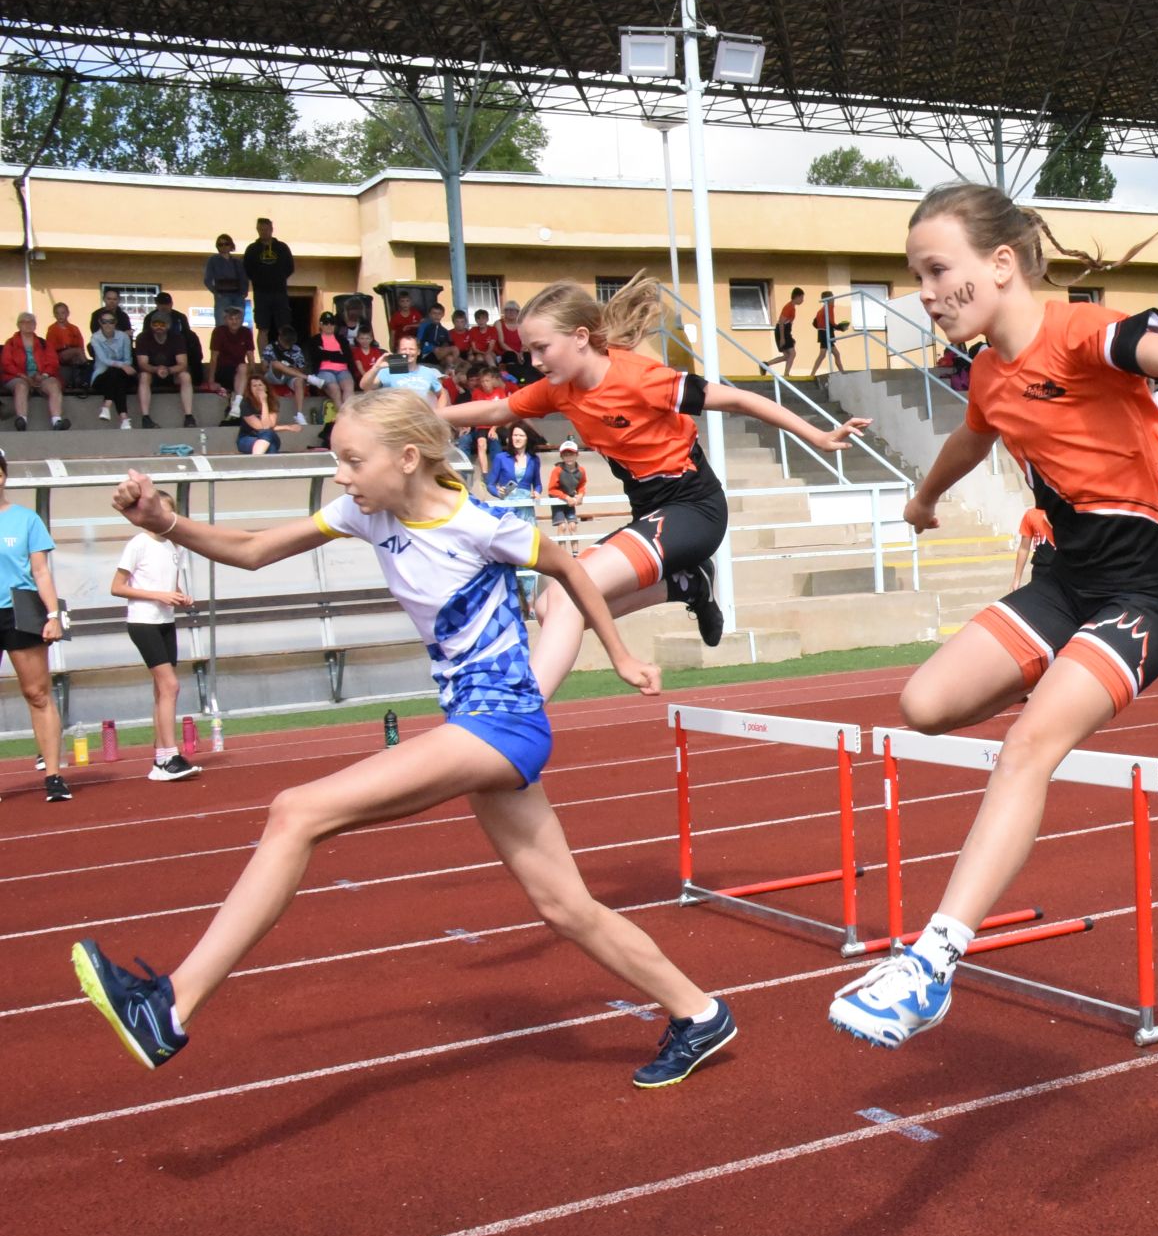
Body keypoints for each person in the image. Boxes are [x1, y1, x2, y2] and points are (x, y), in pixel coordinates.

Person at [71, 390, 738, 1088]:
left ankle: (170, 1008)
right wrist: (166, 522)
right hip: (475, 725)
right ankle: (699, 1012)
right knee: (565, 907)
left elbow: (569, 569)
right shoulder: (364, 512)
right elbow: (253, 549)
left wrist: (621, 655)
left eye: (353, 460)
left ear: (408, 457)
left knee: (297, 811)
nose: (341, 475)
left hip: (500, 723)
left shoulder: (479, 523)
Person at [825, 182, 1158, 1048]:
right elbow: (969, 439)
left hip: (1149, 595)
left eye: (936, 271)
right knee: (924, 705)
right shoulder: (989, 374)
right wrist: (922, 500)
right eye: (916, 276)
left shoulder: (1082, 332)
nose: (923, 293)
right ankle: (1058, 695)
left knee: (1027, 746)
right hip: (1067, 584)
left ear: (999, 265)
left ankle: (932, 962)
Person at [441, 276, 867, 684]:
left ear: (581, 337)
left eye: (541, 348)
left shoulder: (639, 378)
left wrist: (818, 434)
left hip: (692, 508)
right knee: (546, 608)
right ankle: (687, 585)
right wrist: (427, 418)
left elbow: (738, 398)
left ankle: (522, 711)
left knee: (568, 596)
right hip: (650, 510)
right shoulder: (558, 388)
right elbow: (496, 412)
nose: (532, 361)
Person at [0, 451, 68, 800]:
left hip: (19, 609)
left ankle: (54, 776)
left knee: (37, 693)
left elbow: (40, 571)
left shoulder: (26, 520)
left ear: (2, 476)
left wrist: (53, 615)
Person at [111, 526, 201, 782]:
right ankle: (171, 756)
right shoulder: (138, 543)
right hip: (143, 621)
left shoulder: (175, 546)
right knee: (170, 686)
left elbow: (170, 584)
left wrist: (180, 596)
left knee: (162, 690)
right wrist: (157, 595)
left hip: (165, 621)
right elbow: (117, 587)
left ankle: (162, 758)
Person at [3, 313, 67, 431]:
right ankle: (21, 420)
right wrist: (23, 376)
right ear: (18, 325)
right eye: (24, 322)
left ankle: (57, 421)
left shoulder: (44, 343)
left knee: (53, 385)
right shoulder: (10, 343)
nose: (28, 324)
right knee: (21, 386)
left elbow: (53, 362)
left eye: (31, 322)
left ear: (35, 325)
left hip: (40, 376)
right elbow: (7, 364)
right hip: (18, 376)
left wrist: (43, 375)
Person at [133, 313, 198, 429]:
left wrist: (169, 370)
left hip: (172, 373)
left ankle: (189, 416)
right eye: (155, 324)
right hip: (152, 372)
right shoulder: (142, 337)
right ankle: (145, 418)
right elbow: (142, 364)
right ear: (151, 325)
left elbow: (183, 364)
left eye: (162, 324)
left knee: (185, 376)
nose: (158, 327)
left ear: (168, 325)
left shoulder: (177, 338)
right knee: (143, 376)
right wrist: (156, 369)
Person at [242, 218, 294, 343]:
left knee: (283, 327)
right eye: (261, 229)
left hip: (279, 292)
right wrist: (260, 280)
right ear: (257, 230)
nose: (263, 232)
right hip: (261, 294)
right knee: (262, 328)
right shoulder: (252, 249)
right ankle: (264, 361)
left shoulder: (281, 247)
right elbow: (246, 269)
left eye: (266, 229)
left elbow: (290, 267)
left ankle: (284, 355)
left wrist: (277, 278)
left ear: (271, 229)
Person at [88, 311, 137, 426]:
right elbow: (104, 360)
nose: (108, 324)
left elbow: (128, 359)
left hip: (122, 375)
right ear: (100, 323)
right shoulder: (95, 338)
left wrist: (123, 366)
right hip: (102, 375)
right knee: (115, 374)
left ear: (115, 323)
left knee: (116, 375)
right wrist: (122, 365)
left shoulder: (123, 337)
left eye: (111, 322)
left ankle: (107, 405)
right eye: (104, 322)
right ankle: (124, 418)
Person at [213, 309, 261, 418]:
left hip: (240, 371)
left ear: (242, 320)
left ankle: (237, 404)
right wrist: (211, 380)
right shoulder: (219, 331)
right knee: (242, 369)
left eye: (237, 319)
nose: (234, 322)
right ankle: (237, 404)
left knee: (243, 367)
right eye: (231, 319)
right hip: (223, 370)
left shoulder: (246, 332)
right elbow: (214, 357)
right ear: (225, 320)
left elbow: (250, 355)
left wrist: (253, 374)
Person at [261, 326, 314, 425]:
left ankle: (299, 414)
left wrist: (288, 369)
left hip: (290, 376)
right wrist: (281, 367)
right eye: (285, 343)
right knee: (276, 364)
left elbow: (301, 368)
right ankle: (308, 378)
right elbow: (264, 368)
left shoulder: (296, 349)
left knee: (299, 381)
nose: (287, 346)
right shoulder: (270, 348)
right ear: (280, 338)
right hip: (274, 376)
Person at [234, 377, 300, 455]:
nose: (258, 388)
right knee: (270, 446)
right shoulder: (245, 403)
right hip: (247, 437)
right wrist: (287, 427)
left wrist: (264, 402)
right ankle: (258, 459)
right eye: (254, 386)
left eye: (260, 385)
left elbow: (269, 425)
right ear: (250, 389)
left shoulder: (273, 402)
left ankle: (255, 460)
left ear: (266, 388)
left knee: (268, 434)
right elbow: (262, 427)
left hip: (268, 436)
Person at [546, 438, 588, 536]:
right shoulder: (557, 470)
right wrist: (566, 497)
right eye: (566, 455)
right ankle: (561, 551)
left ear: (577, 455)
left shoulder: (581, 471)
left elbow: (582, 485)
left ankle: (575, 552)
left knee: (573, 526)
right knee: (562, 526)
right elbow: (552, 490)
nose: (569, 457)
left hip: (570, 502)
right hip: (558, 501)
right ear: (562, 457)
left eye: (571, 454)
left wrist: (581, 494)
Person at [204, 233, 249, 320]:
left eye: (226, 244)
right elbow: (207, 279)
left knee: (238, 323)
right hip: (222, 296)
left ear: (231, 245)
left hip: (238, 295)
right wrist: (216, 292)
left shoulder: (237, 261)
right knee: (222, 323)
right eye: (220, 244)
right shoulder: (213, 260)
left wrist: (244, 293)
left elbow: (244, 278)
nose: (224, 246)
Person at [46, 303, 88, 394]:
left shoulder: (74, 328)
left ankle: (77, 382)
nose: (60, 316)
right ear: (54, 315)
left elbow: (80, 343)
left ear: (68, 313)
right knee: (77, 352)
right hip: (59, 354)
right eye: (57, 313)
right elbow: (50, 347)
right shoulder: (52, 329)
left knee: (76, 356)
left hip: (74, 353)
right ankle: (87, 369)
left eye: (63, 313)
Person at [1012, 505, 1055, 587]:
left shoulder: (1066, 512)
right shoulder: (1031, 514)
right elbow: (1024, 548)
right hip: (1041, 570)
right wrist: (1017, 579)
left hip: (1064, 569)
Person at [811, 290, 844, 375]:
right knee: (824, 354)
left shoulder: (821, 310)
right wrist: (839, 327)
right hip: (826, 332)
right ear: (829, 299)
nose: (834, 299)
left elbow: (815, 323)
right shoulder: (829, 307)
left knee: (834, 354)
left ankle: (842, 372)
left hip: (823, 332)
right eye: (832, 297)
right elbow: (831, 321)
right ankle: (842, 373)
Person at [774, 287, 803, 372]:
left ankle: (766, 364)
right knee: (793, 354)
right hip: (782, 331)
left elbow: (787, 323)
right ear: (797, 297)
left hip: (785, 331)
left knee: (787, 356)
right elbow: (781, 322)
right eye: (801, 297)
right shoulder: (789, 307)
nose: (802, 300)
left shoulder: (792, 307)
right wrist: (782, 338)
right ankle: (786, 374)